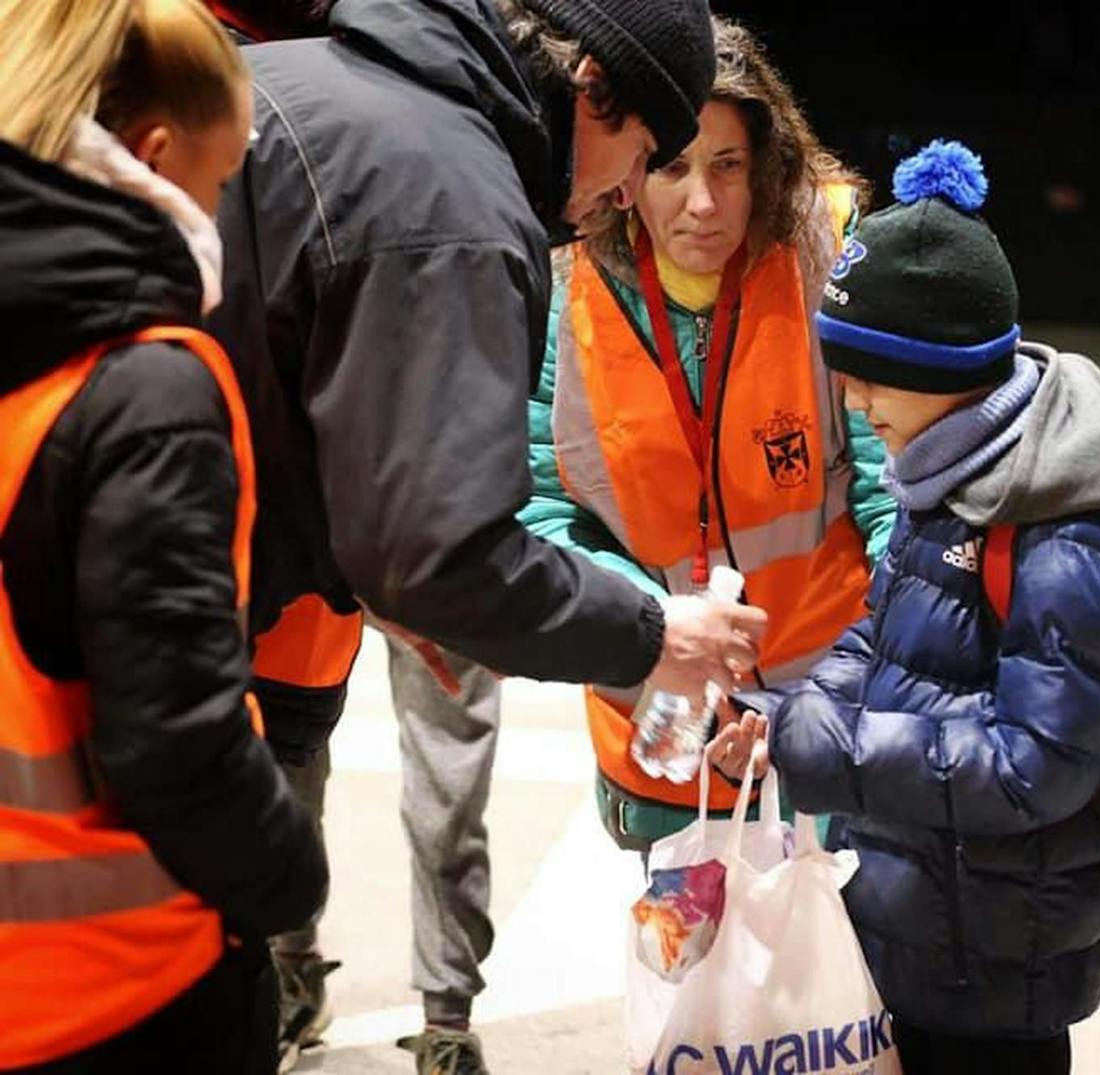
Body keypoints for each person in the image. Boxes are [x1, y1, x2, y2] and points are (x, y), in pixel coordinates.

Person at [204, 0, 763, 1068]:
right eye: (640, 152)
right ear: (588, 85)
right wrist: (655, 630)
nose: (616, 195)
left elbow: (283, 399)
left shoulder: (324, 84)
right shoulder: (446, 193)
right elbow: (443, 556)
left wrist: (368, 569)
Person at [379, 18, 896, 1069]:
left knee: (842, 998)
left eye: (728, 166)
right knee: (698, 1005)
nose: (699, 204)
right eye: (669, 167)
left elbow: (892, 494)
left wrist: (850, 682)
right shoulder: (562, 289)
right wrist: (658, 635)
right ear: (624, 171)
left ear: (772, 167)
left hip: (829, 715)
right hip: (661, 715)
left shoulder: (826, 266)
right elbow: (533, 506)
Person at [739, 141, 1100, 1075]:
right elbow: (883, 629)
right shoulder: (948, 473)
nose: (853, 399)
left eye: (871, 372)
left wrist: (833, 750)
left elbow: (1040, 764)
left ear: (950, 367)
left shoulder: (1063, 529)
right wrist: (786, 716)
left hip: (997, 974)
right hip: (917, 931)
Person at [0, 1, 326, 1071]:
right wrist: (289, 878)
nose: (223, 213)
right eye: (224, 181)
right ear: (152, 156)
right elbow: (175, 748)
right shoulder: (146, 387)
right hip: (122, 988)